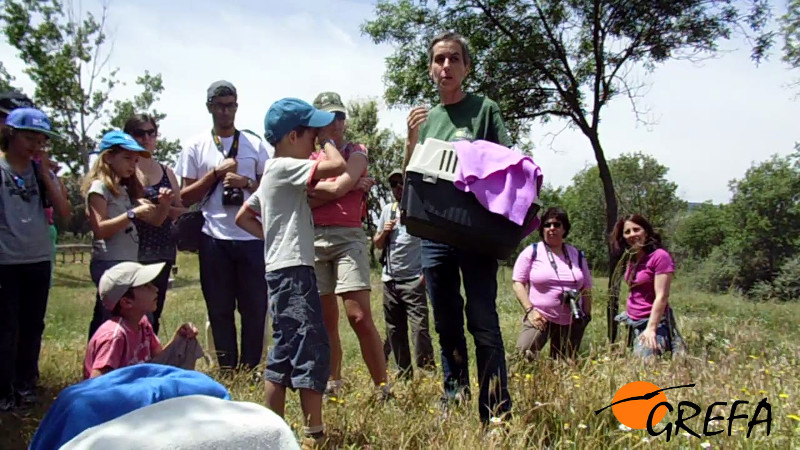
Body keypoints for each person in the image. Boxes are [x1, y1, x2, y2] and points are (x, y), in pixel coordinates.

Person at [404, 31, 513, 423]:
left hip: (475, 233)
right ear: (431, 68)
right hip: (434, 237)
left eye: (453, 59)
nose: (445, 66)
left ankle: (496, 409)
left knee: (482, 320)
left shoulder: (485, 109)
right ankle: (454, 397)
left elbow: (507, 164)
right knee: (446, 322)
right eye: (438, 59)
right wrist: (411, 139)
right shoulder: (426, 118)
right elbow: (411, 179)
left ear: (467, 67)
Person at [236, 97, 346, 447]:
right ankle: (315, 434)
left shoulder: (272, 173)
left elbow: (243, 215)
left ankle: (274, 430)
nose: (317, 141)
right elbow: (338, 165)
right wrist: (330, 138)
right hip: (294, 272)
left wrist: (274, 237)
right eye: (312, 134)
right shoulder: (283, 166)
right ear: (294, 135)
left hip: (280, 270)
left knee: (284, 350)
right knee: (311, 347)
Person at [176, 81, 270, 370]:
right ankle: (227, 369)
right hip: (213, 236)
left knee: (254, 309)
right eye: (219, 105)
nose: (225, 111)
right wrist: (215, 175)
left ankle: (251, 367)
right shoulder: (195, 145)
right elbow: (185, 197)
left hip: (251, 237)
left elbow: (270, 190)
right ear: (209, 107)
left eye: (230, 105)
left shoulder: (255, 145)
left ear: (237, 107)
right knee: (219, 309)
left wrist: (247, 183)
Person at [308, 92, 388, 397]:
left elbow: (334, 184)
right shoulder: (307, 158)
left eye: (339, 116)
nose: (335, 122)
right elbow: (300, 197)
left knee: (358, 316)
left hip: (348, 236)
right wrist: (351, 186)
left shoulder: (357, 151)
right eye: (327, 118)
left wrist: (333, 186)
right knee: (326, 319)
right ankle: (333, 382)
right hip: (313, 238)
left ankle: (382, 387)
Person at [0, 107, 70, 411]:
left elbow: (65, 214)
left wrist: (47, 175)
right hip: (5, 260)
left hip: (37, 257)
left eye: (41, 140)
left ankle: (26, 384)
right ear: (11, 134)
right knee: (5, 327)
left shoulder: (43, 174)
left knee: (32, 326)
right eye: (29, 137)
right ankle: (3, 389)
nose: (35, 145)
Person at [84, 130, 172, 340]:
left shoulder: (124, 190)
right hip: (109, 263)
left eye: (135, 160)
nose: (132, 165)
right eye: (127, 158)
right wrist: (132, 214)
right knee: (113, 324)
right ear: (108, 157)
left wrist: (165, 206)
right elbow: (100, 229)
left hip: (128, 264)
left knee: (138, 319)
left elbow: (156, 221)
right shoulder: (99, 188)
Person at [84, 261, 201, 380]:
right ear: (127, 302)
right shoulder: (115, 337)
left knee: (186, 341)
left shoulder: (142, 323)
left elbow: (158, 360)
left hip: (141, 383)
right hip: (125, 393)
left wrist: (179, 337)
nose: (155, 288)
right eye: (146, 285)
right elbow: (97, 385)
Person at [125, 114, 186, 335]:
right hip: (132, 251)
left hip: (163, 250)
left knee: (153, 311)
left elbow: (181, 209)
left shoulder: (167, 172)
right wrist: (162, 207)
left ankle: (147, 359)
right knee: (128, 312)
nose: (146, 138)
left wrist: (163, 207)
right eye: (139, 133)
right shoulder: (126, 170)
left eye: (151, 133)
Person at [373, 169, 434, 378]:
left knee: (420, 330)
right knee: (394, 330)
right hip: (390, 279)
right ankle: (403, 373)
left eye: (401, 183)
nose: (397, 188)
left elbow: (431, 243)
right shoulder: (388, 211)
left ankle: (426, 374)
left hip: (414, 280)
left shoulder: (421, 209)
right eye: (393, 184)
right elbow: (377, 244)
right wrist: (385, 232)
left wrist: (424, 275)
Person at [512, 208, 592, 360]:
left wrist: (586, 315)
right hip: (541, 316)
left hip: (571, 319)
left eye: (557, 224)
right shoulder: (532, 251)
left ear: (564, 229)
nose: (552, 229)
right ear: (542, 229)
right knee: (522, 356)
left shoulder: (577, 255)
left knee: (563, 365)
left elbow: (586, 287)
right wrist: (530, 311)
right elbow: (518, 283)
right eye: (547, 225)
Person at [610, 214, 686, 358]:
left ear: (646, 231)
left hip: (652, 322)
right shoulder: (632, 258)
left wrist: (651, 329)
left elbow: (662, 296)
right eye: (627, 232)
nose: (632, 234)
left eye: (636, 229)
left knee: (644, 368)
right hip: (632, 322)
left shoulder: (659, 257)